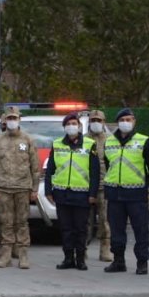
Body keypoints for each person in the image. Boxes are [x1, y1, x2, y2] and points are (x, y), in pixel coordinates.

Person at [102, 108, 149, 275]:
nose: (125, 122)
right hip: (114, 193)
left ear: (134, 122)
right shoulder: (109, 142)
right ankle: (118, 261)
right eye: (122, 119)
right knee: (116, 231)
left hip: (136, 194)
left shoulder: (145, 141)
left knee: (141, 230)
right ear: (118, 122)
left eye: (129, 119)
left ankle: (142, 262)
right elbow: (108, 164)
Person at [0, 106, 41, 269]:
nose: (11, 121)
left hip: (23, 187)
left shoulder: (28, 139)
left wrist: (34, 188)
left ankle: (23, 255)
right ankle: (6, 255)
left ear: (19, 120)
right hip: (3, 187)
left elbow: (34, 166)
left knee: (22, 222)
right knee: (6, 222)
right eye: (9, 118)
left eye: (14, 118)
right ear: (5, 120)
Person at [47, 112, 100, 271]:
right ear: (64, 127)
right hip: (62, 193)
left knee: (80, 229)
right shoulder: (57, 144)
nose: (71, 126)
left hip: (82, 194)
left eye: (74, 124)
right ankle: (68, 258)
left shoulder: (90, 144)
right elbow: (50, 169)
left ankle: (81, 259)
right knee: (66, 228)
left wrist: (92, 194)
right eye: (68, 124)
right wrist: (49, 191)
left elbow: (94, 172)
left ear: (79, 126)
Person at [86, 109, 114, 263]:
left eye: (99, 120)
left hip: (104, 185)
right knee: (84, 221)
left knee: (105, 220)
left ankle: (105, 249)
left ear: (104, 122)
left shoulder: (111, 140)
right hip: (86, 186)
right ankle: (81, 249)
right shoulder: (83, 140)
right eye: (93, 120)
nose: (95, 123)